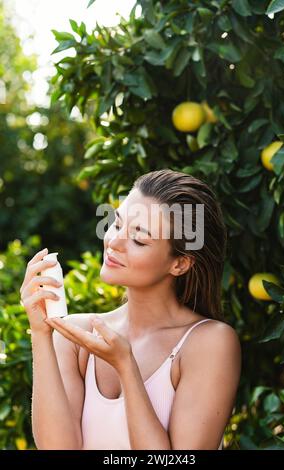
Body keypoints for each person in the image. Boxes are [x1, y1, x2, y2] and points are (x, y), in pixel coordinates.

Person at [20, 169, 241, 450]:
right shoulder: (75, 336)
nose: (113, 242)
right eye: (116, 224)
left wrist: (126, 366)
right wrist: (40, 333)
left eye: (139, 239)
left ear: (180, 263)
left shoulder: (209, 343)